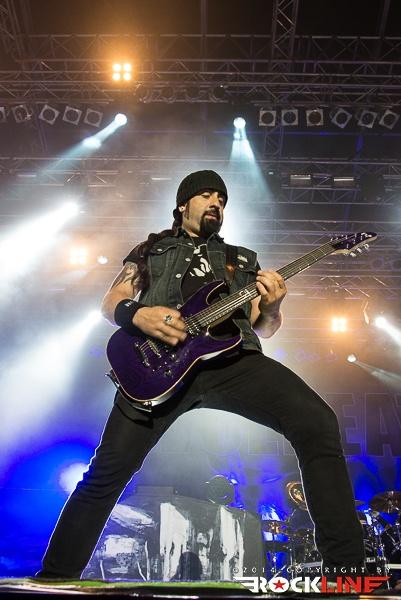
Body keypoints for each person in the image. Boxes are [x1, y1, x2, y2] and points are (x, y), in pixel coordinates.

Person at [37, 169, 365, 580]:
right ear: (183, 204)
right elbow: (113, 300)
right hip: (156, 368)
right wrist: (138, 314)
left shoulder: (240, 260)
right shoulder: (151, 249)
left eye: (222, 200)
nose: (216, 203)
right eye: (207, 195)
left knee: (318, 423)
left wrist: (274, 307)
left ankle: (347, 570)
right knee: (107, 470)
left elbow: (263, 326)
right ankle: (55, 576)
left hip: (233, 361)